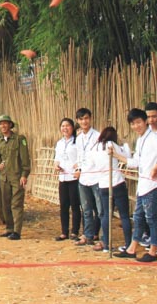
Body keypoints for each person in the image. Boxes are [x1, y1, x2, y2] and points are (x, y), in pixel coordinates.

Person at [113, 108, 157, 263]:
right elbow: (135, 162)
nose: (136, 126)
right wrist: (117, 156)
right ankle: (132, 248)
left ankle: (153, 251)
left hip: (153, 185)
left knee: (151, 217)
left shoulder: (154, 138)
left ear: (145, 121)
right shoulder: (140, 140)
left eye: (138, 122)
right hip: (143, 185)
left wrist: (155, 168)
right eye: (133, 123)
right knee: (138, 216)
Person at [94, 127, 131, 253]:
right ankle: (128, 243)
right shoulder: (112, 144)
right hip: (116, 182)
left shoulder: (96, 147)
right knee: (124, 215)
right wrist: (125, 144)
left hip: (103, 183)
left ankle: (106, 244)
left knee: (106, 215)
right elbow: (127, 156)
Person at [0, 115, 30, 240]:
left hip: (17, 177)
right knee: (6, 204)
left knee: (16, 204)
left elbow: (25, 159)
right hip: (4, 178)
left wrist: (24, 175)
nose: (3, 126)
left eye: (5, 123)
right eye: (0, 124)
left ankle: (17, 231)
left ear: (10, 125)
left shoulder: (20, 139)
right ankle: (9, 228)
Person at [74, 108, 101, 245]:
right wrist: (78, 168)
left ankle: (103, 237)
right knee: (86, 209)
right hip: (83, 178)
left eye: (86, 118)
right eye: (81, 119)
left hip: (96, 177)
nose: (84, 121)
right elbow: (79, 157)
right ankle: (88, 235)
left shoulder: (98, 136)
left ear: (90, 119)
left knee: (100, 209)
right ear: (77, 121)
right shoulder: (78, 139)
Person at [52, 118, 80, 241]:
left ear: (72, 127)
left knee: (75, 205)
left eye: (68, 125)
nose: (65, 128)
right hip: (63, 178)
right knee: (63, 205)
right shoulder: (59, 143)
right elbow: (57, 158)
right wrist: (56, 165)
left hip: (74, 177)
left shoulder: (77, 142)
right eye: (63, 126)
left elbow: (81, 157)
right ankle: (64, 232)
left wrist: (78, 166)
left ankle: (74, 232)